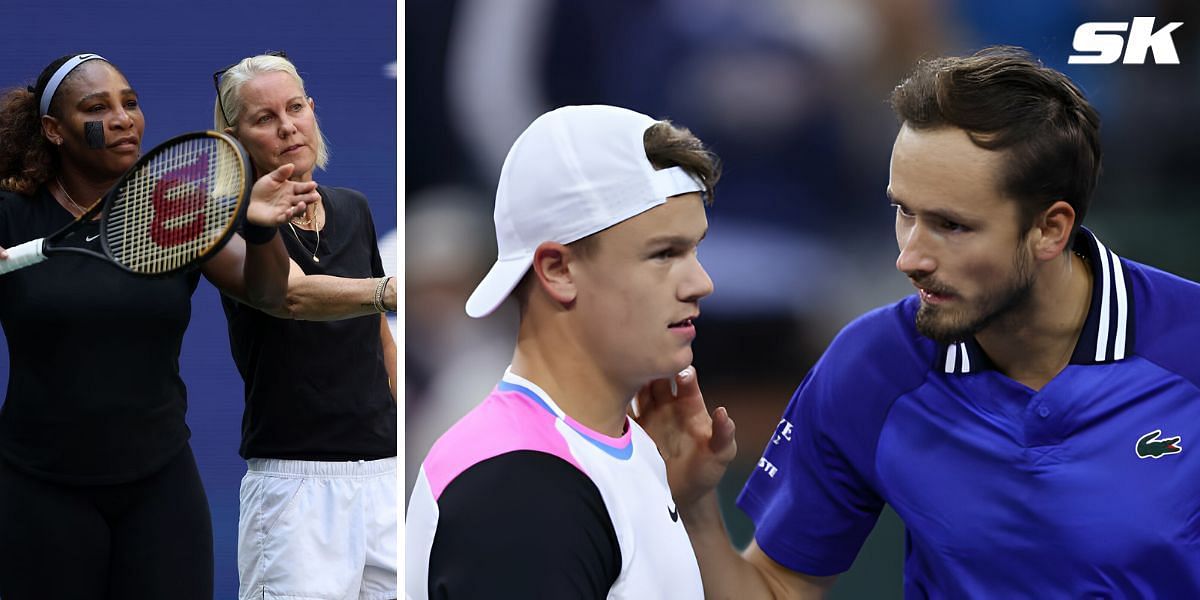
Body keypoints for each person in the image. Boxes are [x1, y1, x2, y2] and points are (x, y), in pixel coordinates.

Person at [638, 45, 1200, 598]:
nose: (910, 257)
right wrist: (691, 506)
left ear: (1051, 229)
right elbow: (777, 588)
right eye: (903, 211)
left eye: (952, 225)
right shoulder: (872, 365)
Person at [0, 53, 318, 599]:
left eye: (131, 103)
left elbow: (268, 294)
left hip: (160, 488)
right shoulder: (10, 213)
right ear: (53, 130)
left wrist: (262, 232)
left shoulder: (174, 210)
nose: (124, 118)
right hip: (39, 489)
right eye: (98, 108)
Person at [405, 104, 721, 598]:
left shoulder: (624, 450)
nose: (701, 283)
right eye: (664, 254)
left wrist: (690, 502)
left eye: (695, 249)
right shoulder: (517, 491)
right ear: (558, 269)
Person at [212, 52, 398, 600]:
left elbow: (378, 338)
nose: (288, 125)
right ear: (235, 136)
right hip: (293, 491)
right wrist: (387, 292)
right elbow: (288, 296)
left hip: (384, 479)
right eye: (265, 118)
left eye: (295, 108)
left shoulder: (353, 207)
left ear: (313, 111)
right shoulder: (225, 220)